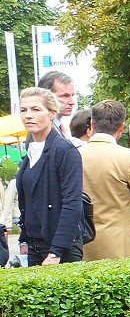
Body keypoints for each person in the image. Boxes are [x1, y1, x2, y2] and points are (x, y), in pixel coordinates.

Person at [79, 99, 130, 260]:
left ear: (92, 124)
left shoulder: (74, 155)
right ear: (122, 127)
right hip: (120, 246)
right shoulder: (128, 157)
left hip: (82, 244)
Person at [15, 87, 84, 265]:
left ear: (52, 113)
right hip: (34, 245)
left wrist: (56, 252)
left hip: (60, 247)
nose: (28, 115)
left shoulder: (65, 150)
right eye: (24, 110)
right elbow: (28, 200)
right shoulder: (30, 150)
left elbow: (72, 203)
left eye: (36, 109)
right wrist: (24, 238)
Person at [38, 71, 77, 139]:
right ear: (46, 96)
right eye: (65, 96)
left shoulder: (55, 127)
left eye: (72, 95)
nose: (72, 102)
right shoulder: (42, 131)